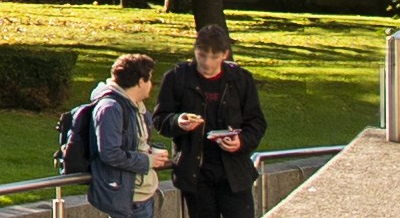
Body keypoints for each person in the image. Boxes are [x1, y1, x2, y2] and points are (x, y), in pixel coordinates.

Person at [158, 33, 271, 218]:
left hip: (234, 174)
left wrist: (241, 141)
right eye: (202, 55)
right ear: (194, 51)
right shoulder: (176, 77)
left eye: (214, 57)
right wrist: (178, 121)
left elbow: (256, 122)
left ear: (225, 55)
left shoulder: (240, 79)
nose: (207, 63)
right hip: (197, 175)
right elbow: (161, 119)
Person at [86, 54, 160, 218]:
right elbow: (110, 153)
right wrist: (147, 160)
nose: (151, 85)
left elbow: (134, 143)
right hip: (128, 200)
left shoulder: (136, 106)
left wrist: (151, 154)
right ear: (141, 82)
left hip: (142, 197)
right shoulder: (110, 108)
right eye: (149, 80)